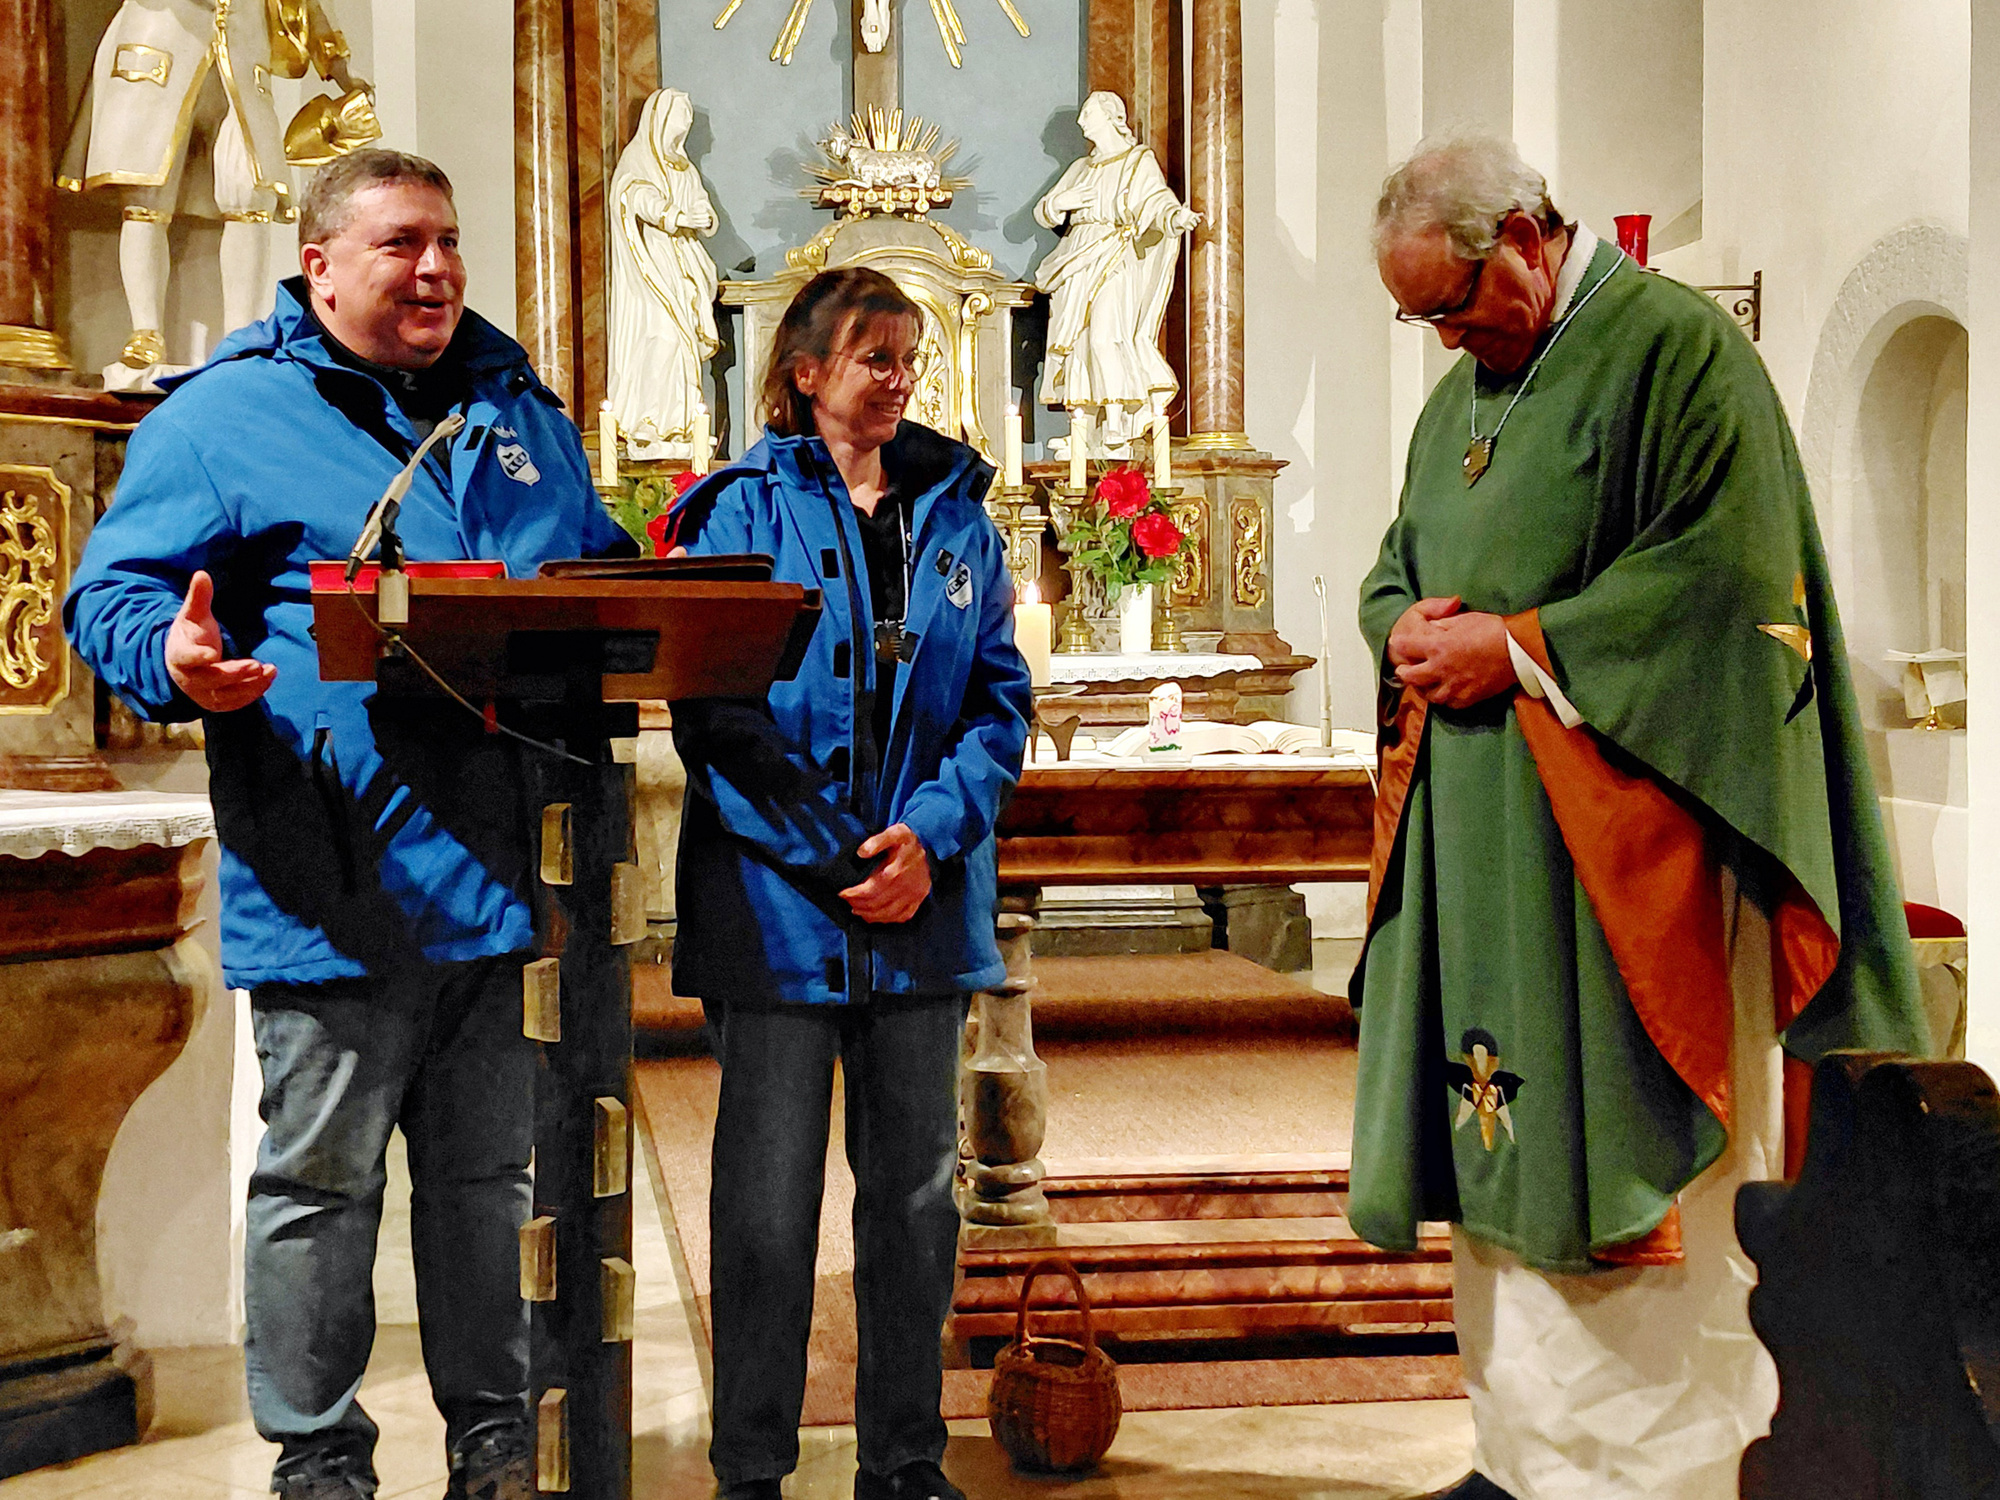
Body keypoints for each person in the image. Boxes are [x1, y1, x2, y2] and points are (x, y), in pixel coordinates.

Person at [1354, 134, 1932, 1500]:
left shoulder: (1675, 353)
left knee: (1620, 1153)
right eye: (1420, 318)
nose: (1441, 341)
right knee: (1499, 1133)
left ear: (1528, 234)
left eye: (1451, 303)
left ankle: (1653, 1471)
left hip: (1627, 853)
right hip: (1486, 845)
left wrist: (1526, 646)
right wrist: (1404, 630)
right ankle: (1520, 1450)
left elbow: (1732, 583)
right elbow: (1396, 566)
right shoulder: (1464, 400)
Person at [64, 148, 634, 1500]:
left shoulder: (514, 407)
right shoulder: (221, 420)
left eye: (447, 242)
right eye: (400, 245)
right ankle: (319, 1452)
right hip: (331, 869)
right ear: (318, 265)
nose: (435, 268)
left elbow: (593, 567)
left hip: (501, 872)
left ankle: (494, 1434)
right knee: (320, 1190)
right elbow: (112, 597)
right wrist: (178, 663)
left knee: (486, 1182)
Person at [666, 267, 1032, 1500]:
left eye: (908, 355)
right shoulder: (729, 515)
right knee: (765, 1212)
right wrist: (839, 860)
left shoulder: (959, 522)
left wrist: (927, 834)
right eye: (872, 354)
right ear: (804, 370)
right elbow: (714, 711)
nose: (897, 376)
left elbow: (995, 704)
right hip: (779, 911)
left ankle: (905, 1461)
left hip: (920, 914)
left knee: (917, 1207)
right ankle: (752, 1468)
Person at [58, 0, 376, 386]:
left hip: (242, 57)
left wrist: (339, 68)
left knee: (251, 194)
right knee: (147, 197)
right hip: (159, 45)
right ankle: (146, 332)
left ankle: (240, 337)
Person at [1031, 91, 1198, 455]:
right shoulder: (1080, 169)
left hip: (1115, 254)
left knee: (1106, 336)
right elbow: (1044, 213)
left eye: (1088, 114)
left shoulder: (1138, 162)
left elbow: (1156, 201)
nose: (1081, 122)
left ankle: (1118, 417)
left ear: (1111, 117)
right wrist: (1061, 203)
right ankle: (1082, 425)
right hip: (1077, 257)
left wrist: (1175, 218)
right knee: (1078, 341)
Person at [606, 85, 721, 461]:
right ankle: (647, 422)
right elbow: (633, 195)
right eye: (679, 120)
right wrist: (674, 217)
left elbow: (699, 201)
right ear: (659, 122)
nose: (683, 128)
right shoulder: (638, 160)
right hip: (650, 264)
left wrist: (703, 218)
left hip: (682, 266)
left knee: (683, 345)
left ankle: (680, 423)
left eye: (687, 123)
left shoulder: (684, 168)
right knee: (661, 337)